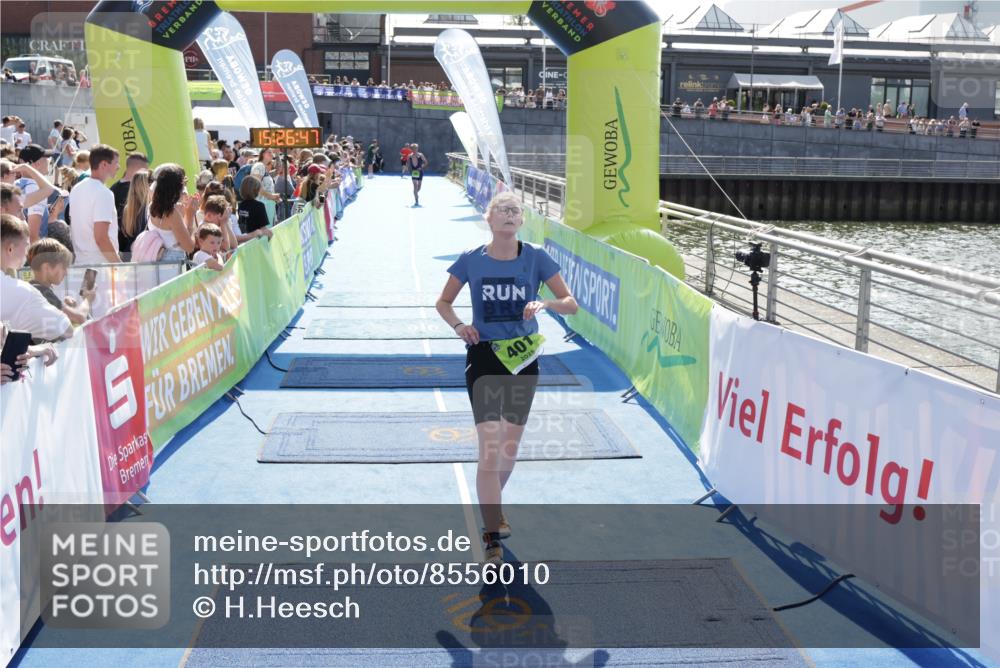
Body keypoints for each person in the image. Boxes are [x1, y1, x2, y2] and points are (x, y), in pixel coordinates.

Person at [435, 191, 578, 564]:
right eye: (502, 210)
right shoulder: (471, 260)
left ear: (522, 220)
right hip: (483, 357)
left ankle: (490, 508)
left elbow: (571, 303)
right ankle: (490, 532)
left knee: (510, 449)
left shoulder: (536, 258)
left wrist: (544, 303)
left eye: (515, 210)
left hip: (523, 358)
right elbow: (443, 302)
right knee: (491, 449)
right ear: (489, 219)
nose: (510, 215)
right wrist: (459, 326)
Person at [1, 214, 73, 341]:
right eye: (26, 245)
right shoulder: (24, 292)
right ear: (10, 249)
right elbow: (66, 329)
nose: (27, 252)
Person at [69, 144, 120, 263]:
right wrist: (119, 266)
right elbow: (101, 238)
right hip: (101, 267)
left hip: (82, 263)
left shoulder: (77, 188)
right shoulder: (103, 193)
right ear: (104, 164)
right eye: (116, 162)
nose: (118, 166)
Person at [27, 238, 94, 326]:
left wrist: (65, 307)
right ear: (46, 267)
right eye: (63, 267)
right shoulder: (39, 289)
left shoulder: (36, 288)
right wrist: (87, 299)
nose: (66, 273)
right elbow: (80, 318)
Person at [147, 163, 198, 261]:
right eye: (182, 186)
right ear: (176, 189)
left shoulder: (151, 206)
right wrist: (190, 214)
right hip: (172, 267)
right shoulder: (171, 213)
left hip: (157, 263)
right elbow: (189, 247)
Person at [110, 151, 148, 228]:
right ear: (138, 169)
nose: (146, 173)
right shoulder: (136, 190)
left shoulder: (113, 188)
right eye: (145, 170)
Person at [119, 169, 149, 257]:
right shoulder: (150, 208)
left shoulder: (127, 209)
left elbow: (126, 233)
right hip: (147, 254)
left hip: (130, 253)